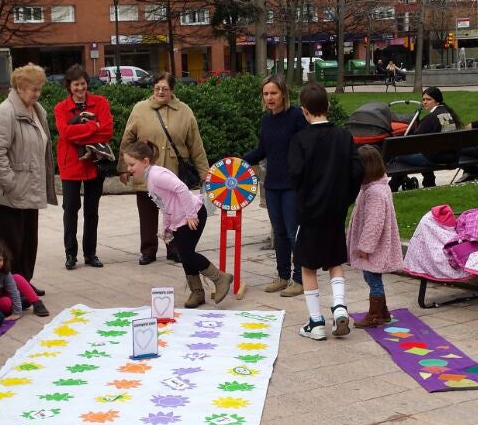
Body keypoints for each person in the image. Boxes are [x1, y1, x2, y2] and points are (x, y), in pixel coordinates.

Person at [288, 82, 363, 341]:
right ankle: (339, 305)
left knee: (307, 267)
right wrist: (345, 199)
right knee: (334, 262)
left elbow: (294, 175)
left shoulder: (300, 139)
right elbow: (357, 171)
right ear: (328, 106)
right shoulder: (344, 136)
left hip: (309, 212)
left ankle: (316, 322)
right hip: (335, 210)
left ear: (304, 111)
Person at [123, 141, 232, 308]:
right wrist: (166, 228)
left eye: (132, 164)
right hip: (180, 219)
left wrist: (190, 215)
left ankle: (220, 278)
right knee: (184, 254)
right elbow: (164, 204)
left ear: (145, 161)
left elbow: (181, 188)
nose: (129, 169)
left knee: (187, 254)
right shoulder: (150, 178)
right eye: (128, 165)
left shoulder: (156, 175)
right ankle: (197, 292)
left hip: (192, 215)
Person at [0, 63, 57, 294]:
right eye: (34, 89)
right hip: (8, 194)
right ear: (19, 88)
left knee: (28, 242)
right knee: (10, 244)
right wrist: (11, 184)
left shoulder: (36, 109)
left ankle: (24, 284)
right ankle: (11, 289)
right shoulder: (5, 112)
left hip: (29, 189)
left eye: (40, 89)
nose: (37, 93)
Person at [118, 72, 209, 266]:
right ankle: (148, 250)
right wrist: (123, 168)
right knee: (147, 212)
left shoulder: (184, 111)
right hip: (145, 172)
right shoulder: (140, 109)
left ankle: (174, 248)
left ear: (172, 90)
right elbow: (127, 140)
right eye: (157, 88)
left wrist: (205, 174)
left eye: (165, 89)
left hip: (173, 171)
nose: (160, 91)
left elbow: (196, 145)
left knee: (176, 213)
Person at [242, 75, 307, 297]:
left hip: (292, 185)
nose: (269, 98)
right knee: (278, 233)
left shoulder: (296, 116)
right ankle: (282, 276)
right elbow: (263, 150)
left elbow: (307, 147)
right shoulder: (266, 119)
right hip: (272, 185)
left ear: (284, 94)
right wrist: (239, 162)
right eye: (266, 94)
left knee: (292, 232)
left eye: (274, 93)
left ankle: (300, 279)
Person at [54, 65, 114, 270]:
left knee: (92, 210)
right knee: (70, 209)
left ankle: (91, 253)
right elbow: (65, 134)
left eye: (83, 83)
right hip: (70, 164)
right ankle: (70, 254)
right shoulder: (61, 108)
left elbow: (106, 132)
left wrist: (81, 131)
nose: (80, 88)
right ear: (69, 87)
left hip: (94, 164)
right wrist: (93, 127)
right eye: (75, 84)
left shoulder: (101, 102)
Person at [346, 145, 403, 328]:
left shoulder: (374, 192)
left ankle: (375, 315)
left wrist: (365, 247)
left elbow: (374, 223)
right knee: (372, 278)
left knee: (373, 279)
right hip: (375, 245)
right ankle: (383, 311)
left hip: (374, 247)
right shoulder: (375, 187)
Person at [390, 86, 462, 191]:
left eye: (428, 99)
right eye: (423, 99)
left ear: (437, 101)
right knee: (423, 151)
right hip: (450, 156)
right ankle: (429, 181)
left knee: (398, 155)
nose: (425, 102)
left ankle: (393, 185)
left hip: (435, 158)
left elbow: (414, 140)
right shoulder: (447, 113)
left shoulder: (431, 118)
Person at [0, 239, 50, 318]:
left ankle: (37, 303)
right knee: (6, 303)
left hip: (4, 295)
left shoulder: (4, 270)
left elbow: (13, 291)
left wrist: (17, 313)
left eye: (0, 260)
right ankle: (19, 303)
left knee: (17, 278)